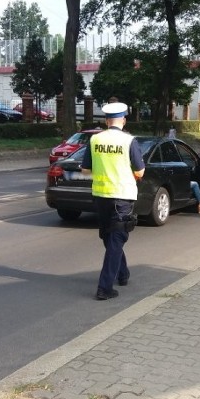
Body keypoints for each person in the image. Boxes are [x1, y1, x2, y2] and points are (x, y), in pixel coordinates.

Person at [81, 102, 145, 300]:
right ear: (123, 120)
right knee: (116, 239)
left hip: (100, 196)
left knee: (109, 238)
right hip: (122, 196)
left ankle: (123, 273)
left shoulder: (94, 140)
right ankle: (104, 287)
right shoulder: (129, 141)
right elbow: (140, 171)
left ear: (107, 121)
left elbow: (85, 170)